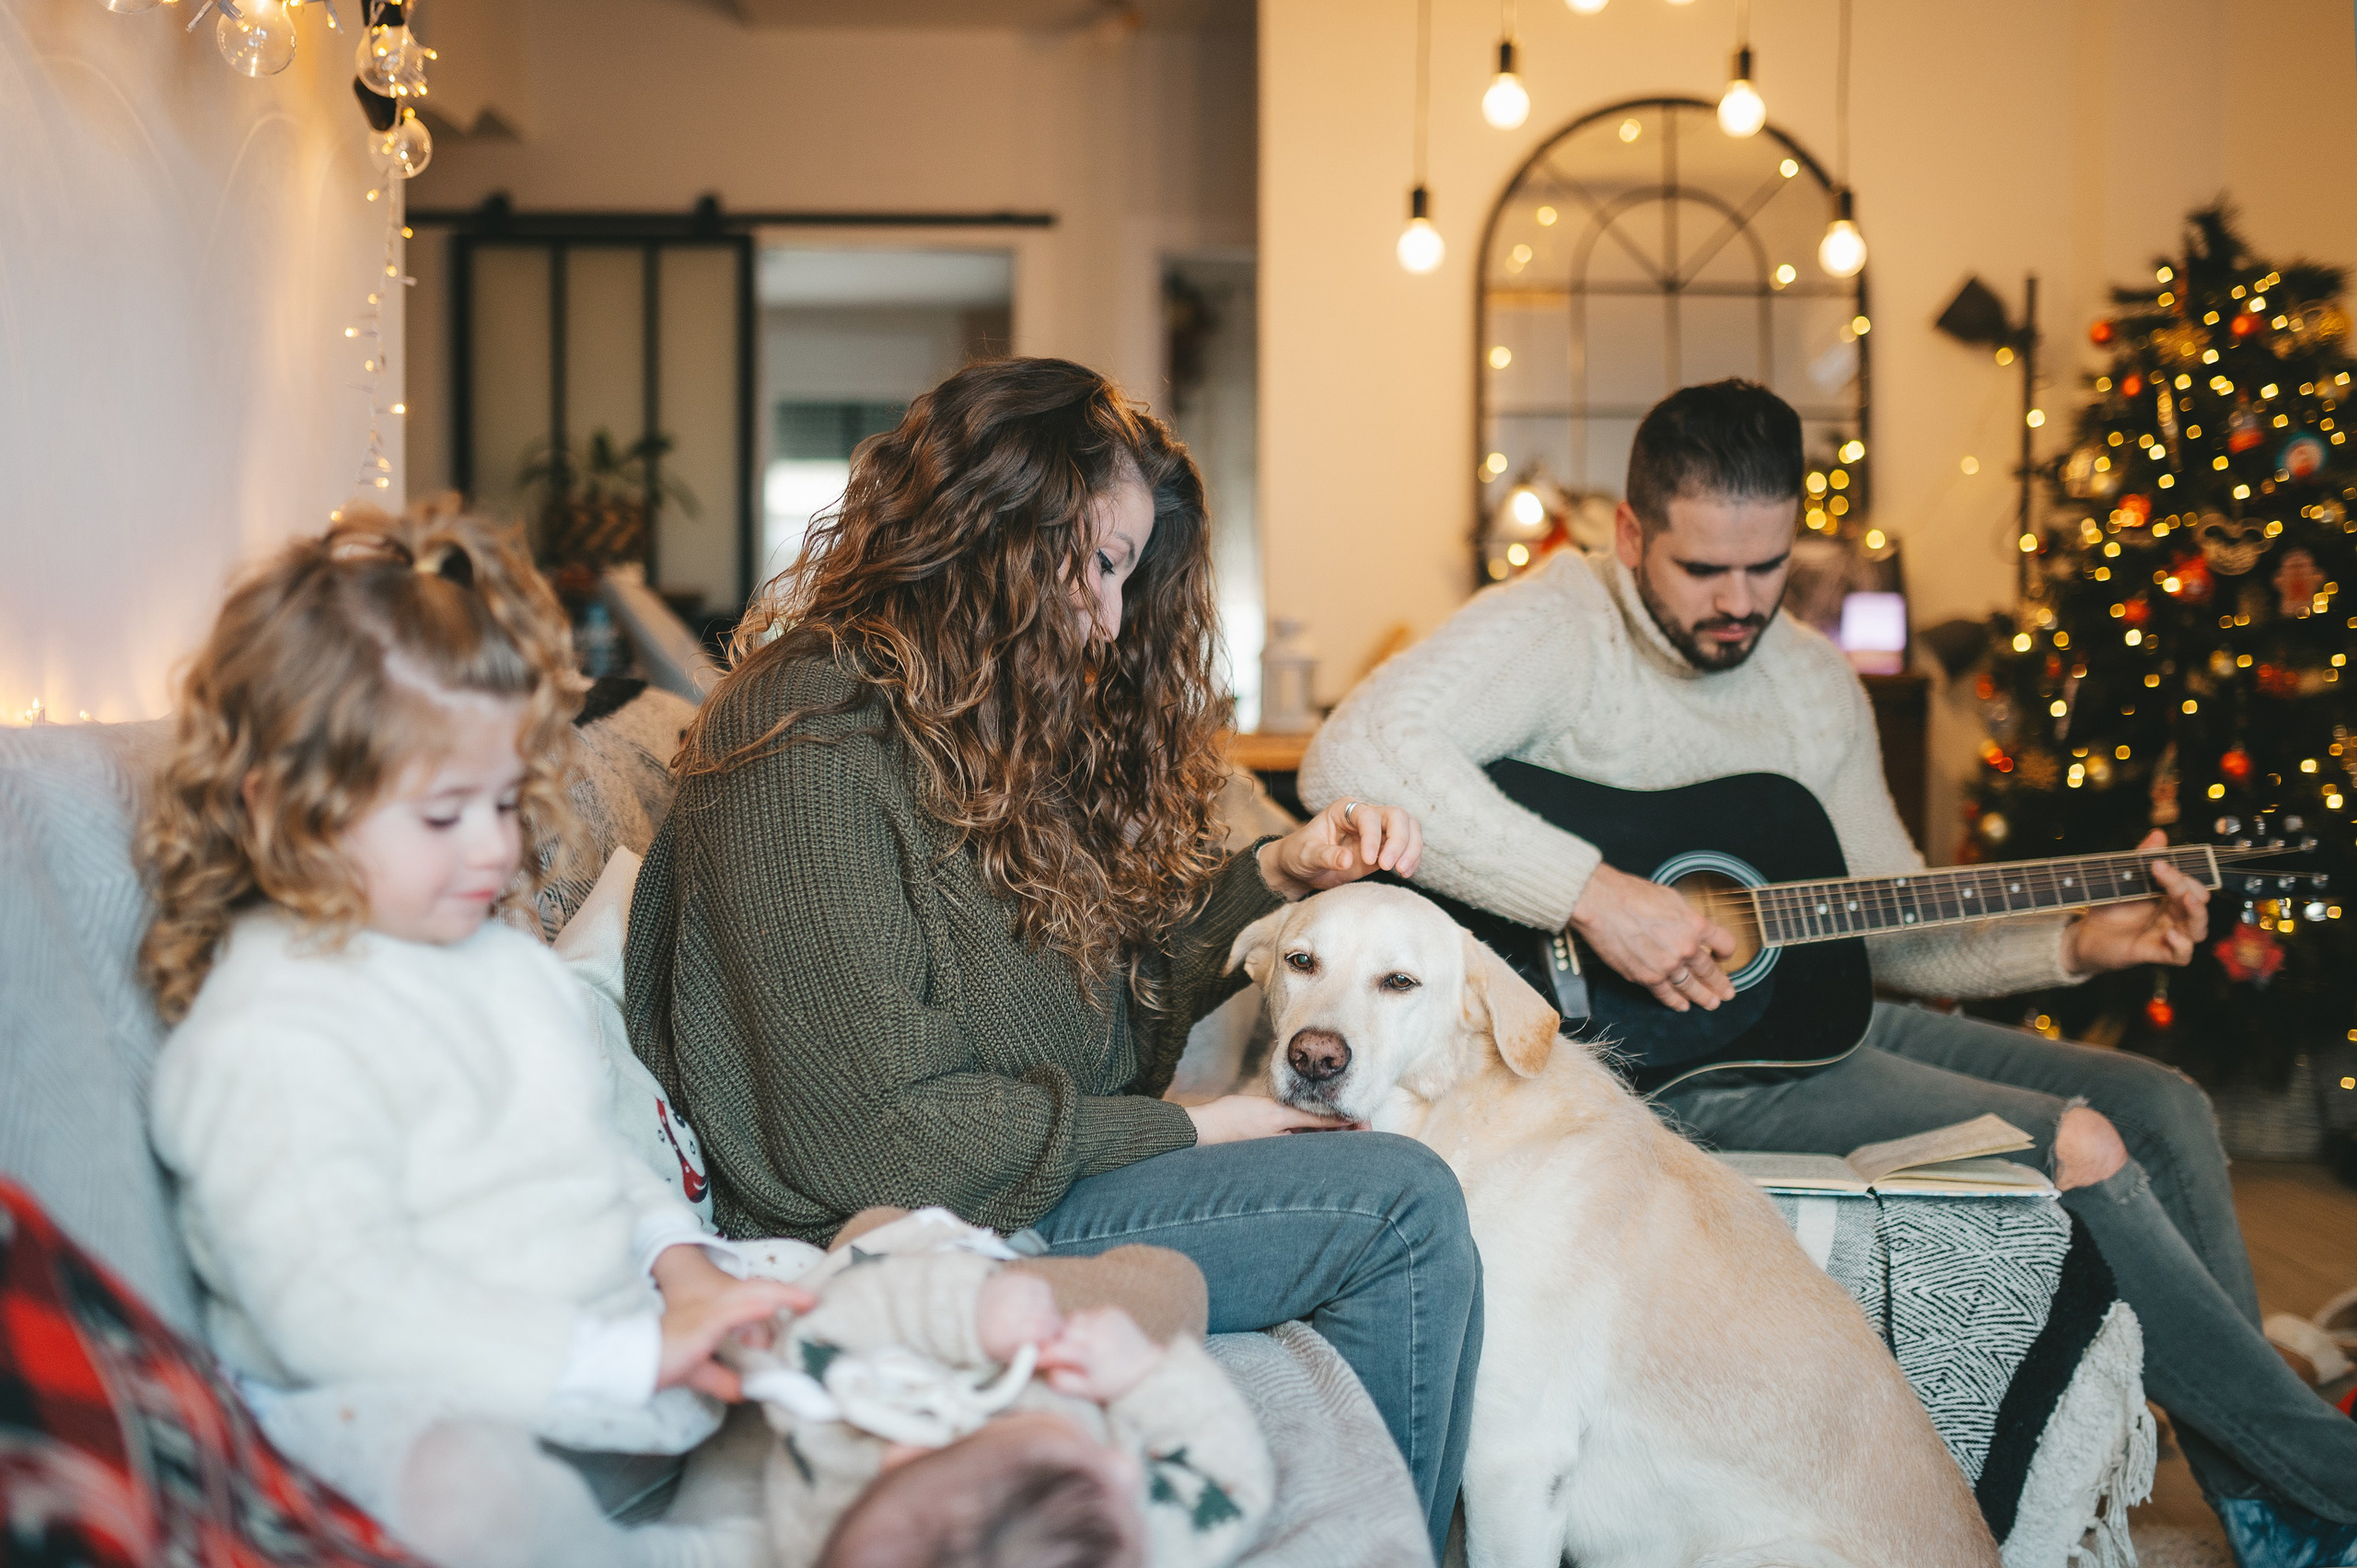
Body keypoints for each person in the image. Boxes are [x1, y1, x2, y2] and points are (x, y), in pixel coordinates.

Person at [1300, 378, 2357, 1564]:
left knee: (2159, 1105)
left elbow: (1893, 921)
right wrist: (1595, 898)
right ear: (1632, 535)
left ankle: (2267, 1498)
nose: (1740, 604)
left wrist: (2070, 942)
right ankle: (2331, 1485)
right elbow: (1357, 749)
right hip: (1659, 1061)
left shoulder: (1811, 679)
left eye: (1769, 567)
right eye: (1705, 569)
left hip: (1804, 1023)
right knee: (2083, 1138)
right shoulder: (1558, 626)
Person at [625, 356, 1479, 1557]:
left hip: (1006, 1182)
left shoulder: (978, 729)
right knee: (1396, 1203)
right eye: (1098, 562)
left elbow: (1103, 1025)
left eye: (1128, 574)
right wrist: (1192, 1130)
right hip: (887, 1227)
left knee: (1401, 1166)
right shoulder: (806, 735)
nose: (1113, 618)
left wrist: (1276, 881)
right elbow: (873, 1131)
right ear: (989, 528)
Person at [139, 505, 807, 1568]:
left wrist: (683, 1270)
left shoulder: (496, 959)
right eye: (447, 814)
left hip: (616, 1349)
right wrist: (618, 1357)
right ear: (285, 807)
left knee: (833, 1298)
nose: (498, 844)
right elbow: (338, 1303)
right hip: (431, 1396)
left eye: (506, 799)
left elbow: (596, 1156)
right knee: (461, 1490)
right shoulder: (267, 1034)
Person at [741, 1205, 1270, 1568]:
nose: (1128, 1466)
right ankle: (1010, 1259)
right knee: (1171, 1274)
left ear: (904, 1451)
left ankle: (975, 1257)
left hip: (935, 1315)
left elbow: (815, 1340)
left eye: (1093, 1460)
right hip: (1085, 1340)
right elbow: (1235, 1488)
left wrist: (970, 1316)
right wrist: (1145, 1374)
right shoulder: (1132, 1543)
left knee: (874, 1229)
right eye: (1122, 1485)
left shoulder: (826, 1476)